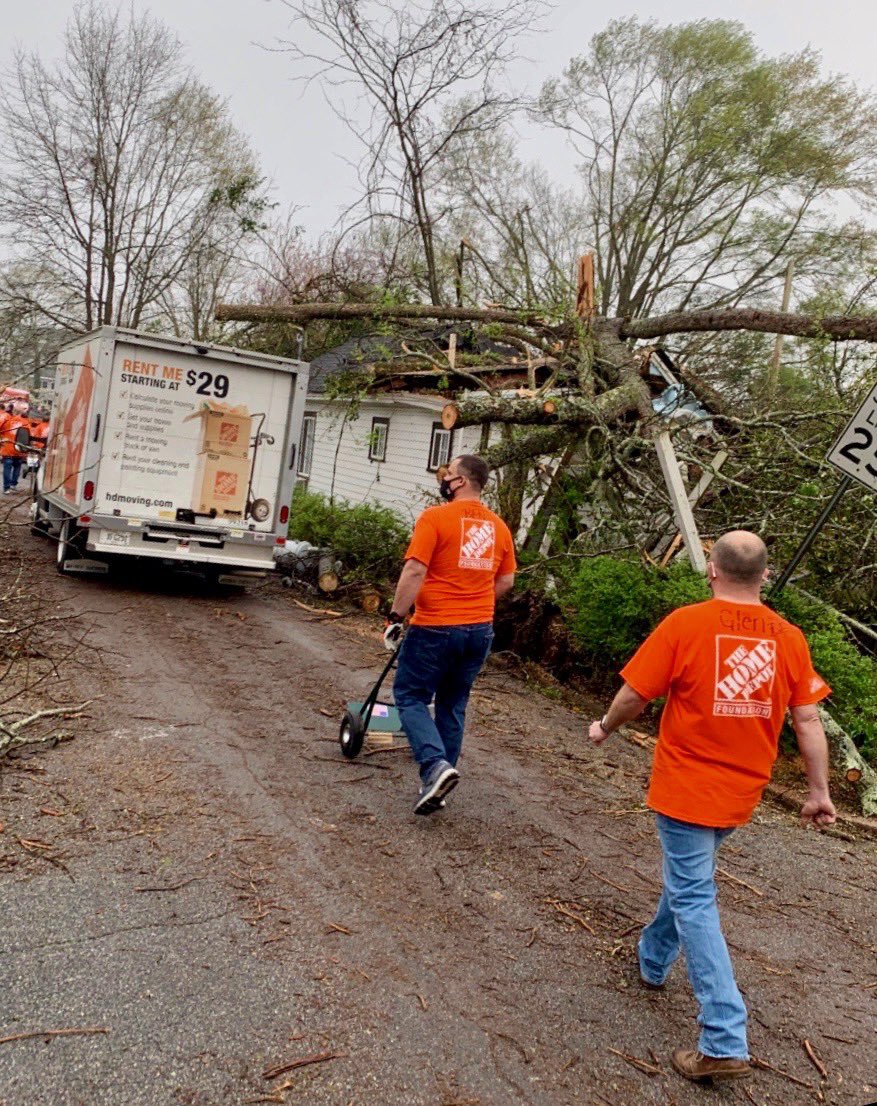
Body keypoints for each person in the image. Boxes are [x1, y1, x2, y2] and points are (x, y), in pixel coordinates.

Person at [587, 531, 835, 1085]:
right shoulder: (789, 638)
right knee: (689, 880)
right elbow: (807, 719)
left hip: (686, 786)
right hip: (742, 791)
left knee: (694, 894)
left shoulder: (685, 624)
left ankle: (723, 1037)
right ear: (765, 575)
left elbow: (634, 695)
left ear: (712, 570)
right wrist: (819, 791)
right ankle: (653, 959)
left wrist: (605, 727)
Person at [385, 454, 516, 815]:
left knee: (410, 696)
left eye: (449, 474)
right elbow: (507, 580)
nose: (444, 478)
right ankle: (437, 788)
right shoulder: (499, 527)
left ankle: (434, 767)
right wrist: (475, 600)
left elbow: (414, 571)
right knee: (452, 703)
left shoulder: (435, 518)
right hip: (479, 631)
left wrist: (395, 616)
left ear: (461, 482)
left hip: (435, 627)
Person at [0, 405, 30, 494]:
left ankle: (6, 488)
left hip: (8, 449)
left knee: (7, 468)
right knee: (17, 467)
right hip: (19, 449)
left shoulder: (7, 420)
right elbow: (28, 436)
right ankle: (13, 484)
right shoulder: (25, 422)